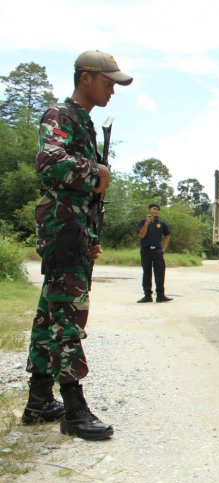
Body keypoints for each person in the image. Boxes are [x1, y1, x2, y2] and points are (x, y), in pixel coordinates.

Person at [23, 50, 133, 441]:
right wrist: (97, 171)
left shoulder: (83, 123)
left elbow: (84, 197)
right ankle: (73, 408)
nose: (112, 91)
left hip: (73, 234)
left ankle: (38, 401)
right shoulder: (60, 116)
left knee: (49, 315)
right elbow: (48, 162)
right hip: (62, 231)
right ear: (85, 77)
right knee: (68, 318)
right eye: (108, 82)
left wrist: (92, 237)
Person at [136, 203, 172, 303]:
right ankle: (147, 296)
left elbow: (167, 236)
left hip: (157, 251)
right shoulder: (143, 222)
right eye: (154, 209)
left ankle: (160, 296)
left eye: (157, 209)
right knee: (147, 272)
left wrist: (163, 249)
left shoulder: (162, 223)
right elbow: (141, 235)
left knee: (160, 272)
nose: (156, 211)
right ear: (149, 209)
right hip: (145, 250)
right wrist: (147, 223)